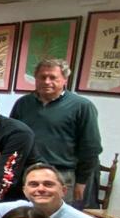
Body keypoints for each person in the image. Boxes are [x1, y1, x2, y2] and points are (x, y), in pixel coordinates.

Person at [10, 58, 102, 204]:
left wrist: (82, 182)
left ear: (64, 79)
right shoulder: (23, 103)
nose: (47, 81)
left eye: (53, 77)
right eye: (42, 77)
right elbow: (12, 138)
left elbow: (91, 147)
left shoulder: (82, 106)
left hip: (61, 176)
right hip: (27, 173)